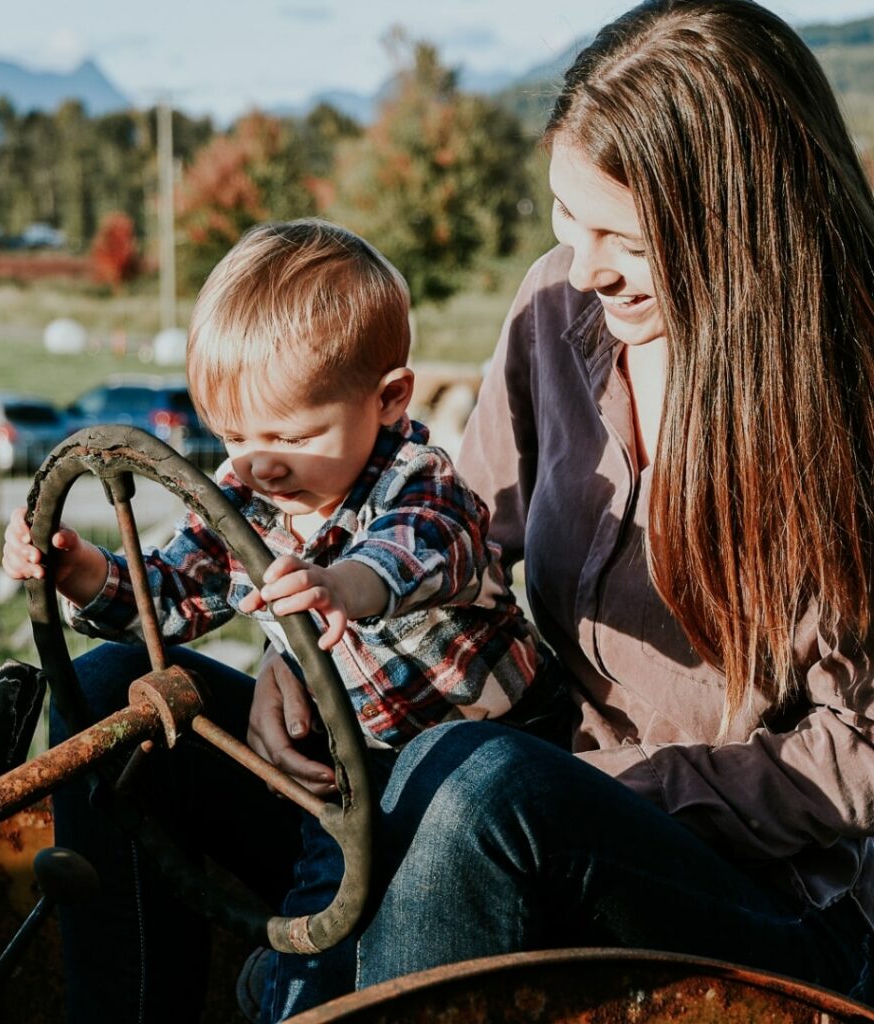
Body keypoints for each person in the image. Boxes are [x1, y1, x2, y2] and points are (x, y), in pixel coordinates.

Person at [270, 0, 870, 1004]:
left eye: (620, 236)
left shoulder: (844, 403)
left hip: (784, 904)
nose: (582, 265)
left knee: (478, 783)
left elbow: (858, 756)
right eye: (566, 214)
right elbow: (447, 530)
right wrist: (306, 641)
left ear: (738, 225)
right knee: (134, 695)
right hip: (551, 799)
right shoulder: (557, 309)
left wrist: (615, 792)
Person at [2, 219, 550, 1021]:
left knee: (323, 962)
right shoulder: (254, 500)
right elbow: (172, 590)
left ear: (390, 399)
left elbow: (418, 556)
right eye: (235, 434)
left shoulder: (424, 487)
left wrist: (340, 585)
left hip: (476, 779)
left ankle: (288, 989)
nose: (259, 462)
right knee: (309, 908)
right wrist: (83, 571)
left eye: (291, 434)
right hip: (343, 784)